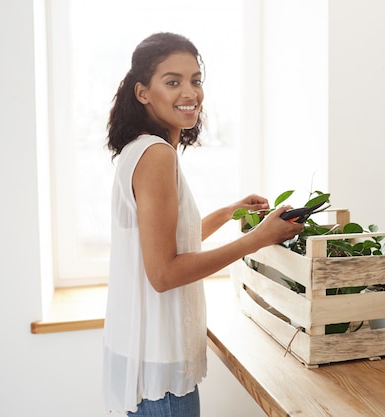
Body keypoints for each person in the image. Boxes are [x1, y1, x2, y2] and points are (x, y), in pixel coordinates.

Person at [103, 32, 304, 417]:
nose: (190, 92)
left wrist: (228, 213)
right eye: (173, 81)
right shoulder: (157, 156)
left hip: (146, 367)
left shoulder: (139, 151)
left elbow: (167, 241)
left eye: (196, 80)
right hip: (161, 381)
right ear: (143, 92)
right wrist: (257, 240)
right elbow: (163, 272)